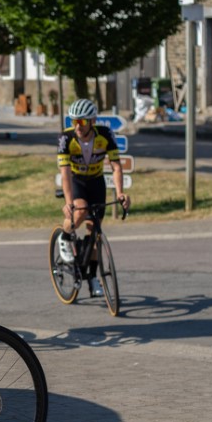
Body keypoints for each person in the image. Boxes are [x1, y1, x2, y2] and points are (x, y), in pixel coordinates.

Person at [56, 98, 130, 297]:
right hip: (77, 181)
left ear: (92, 121)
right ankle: (64, 237)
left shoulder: (105, 135)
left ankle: (92, 277)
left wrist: (120, 193)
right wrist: (68, 203)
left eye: (81, 121)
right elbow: (65, 173)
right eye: (74, 121)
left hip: (96, 182)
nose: (77, 126)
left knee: (95, 232)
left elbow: (116, 166)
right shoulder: (66, 138)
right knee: (80, 211)